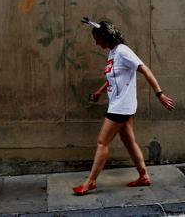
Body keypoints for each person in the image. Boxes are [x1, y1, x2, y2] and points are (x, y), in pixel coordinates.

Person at [73, 19, 175, 195]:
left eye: (97, 39)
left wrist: (159, 94)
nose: (96, 43)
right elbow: (114, 77)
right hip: (119, 104)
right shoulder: (112, 53)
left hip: (121, 106)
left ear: (105, 37)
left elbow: (145, 70)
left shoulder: (123, 51)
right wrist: (99, 91)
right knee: (129, 141)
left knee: (102, 142)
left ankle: (90, 182)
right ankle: (143, 176)